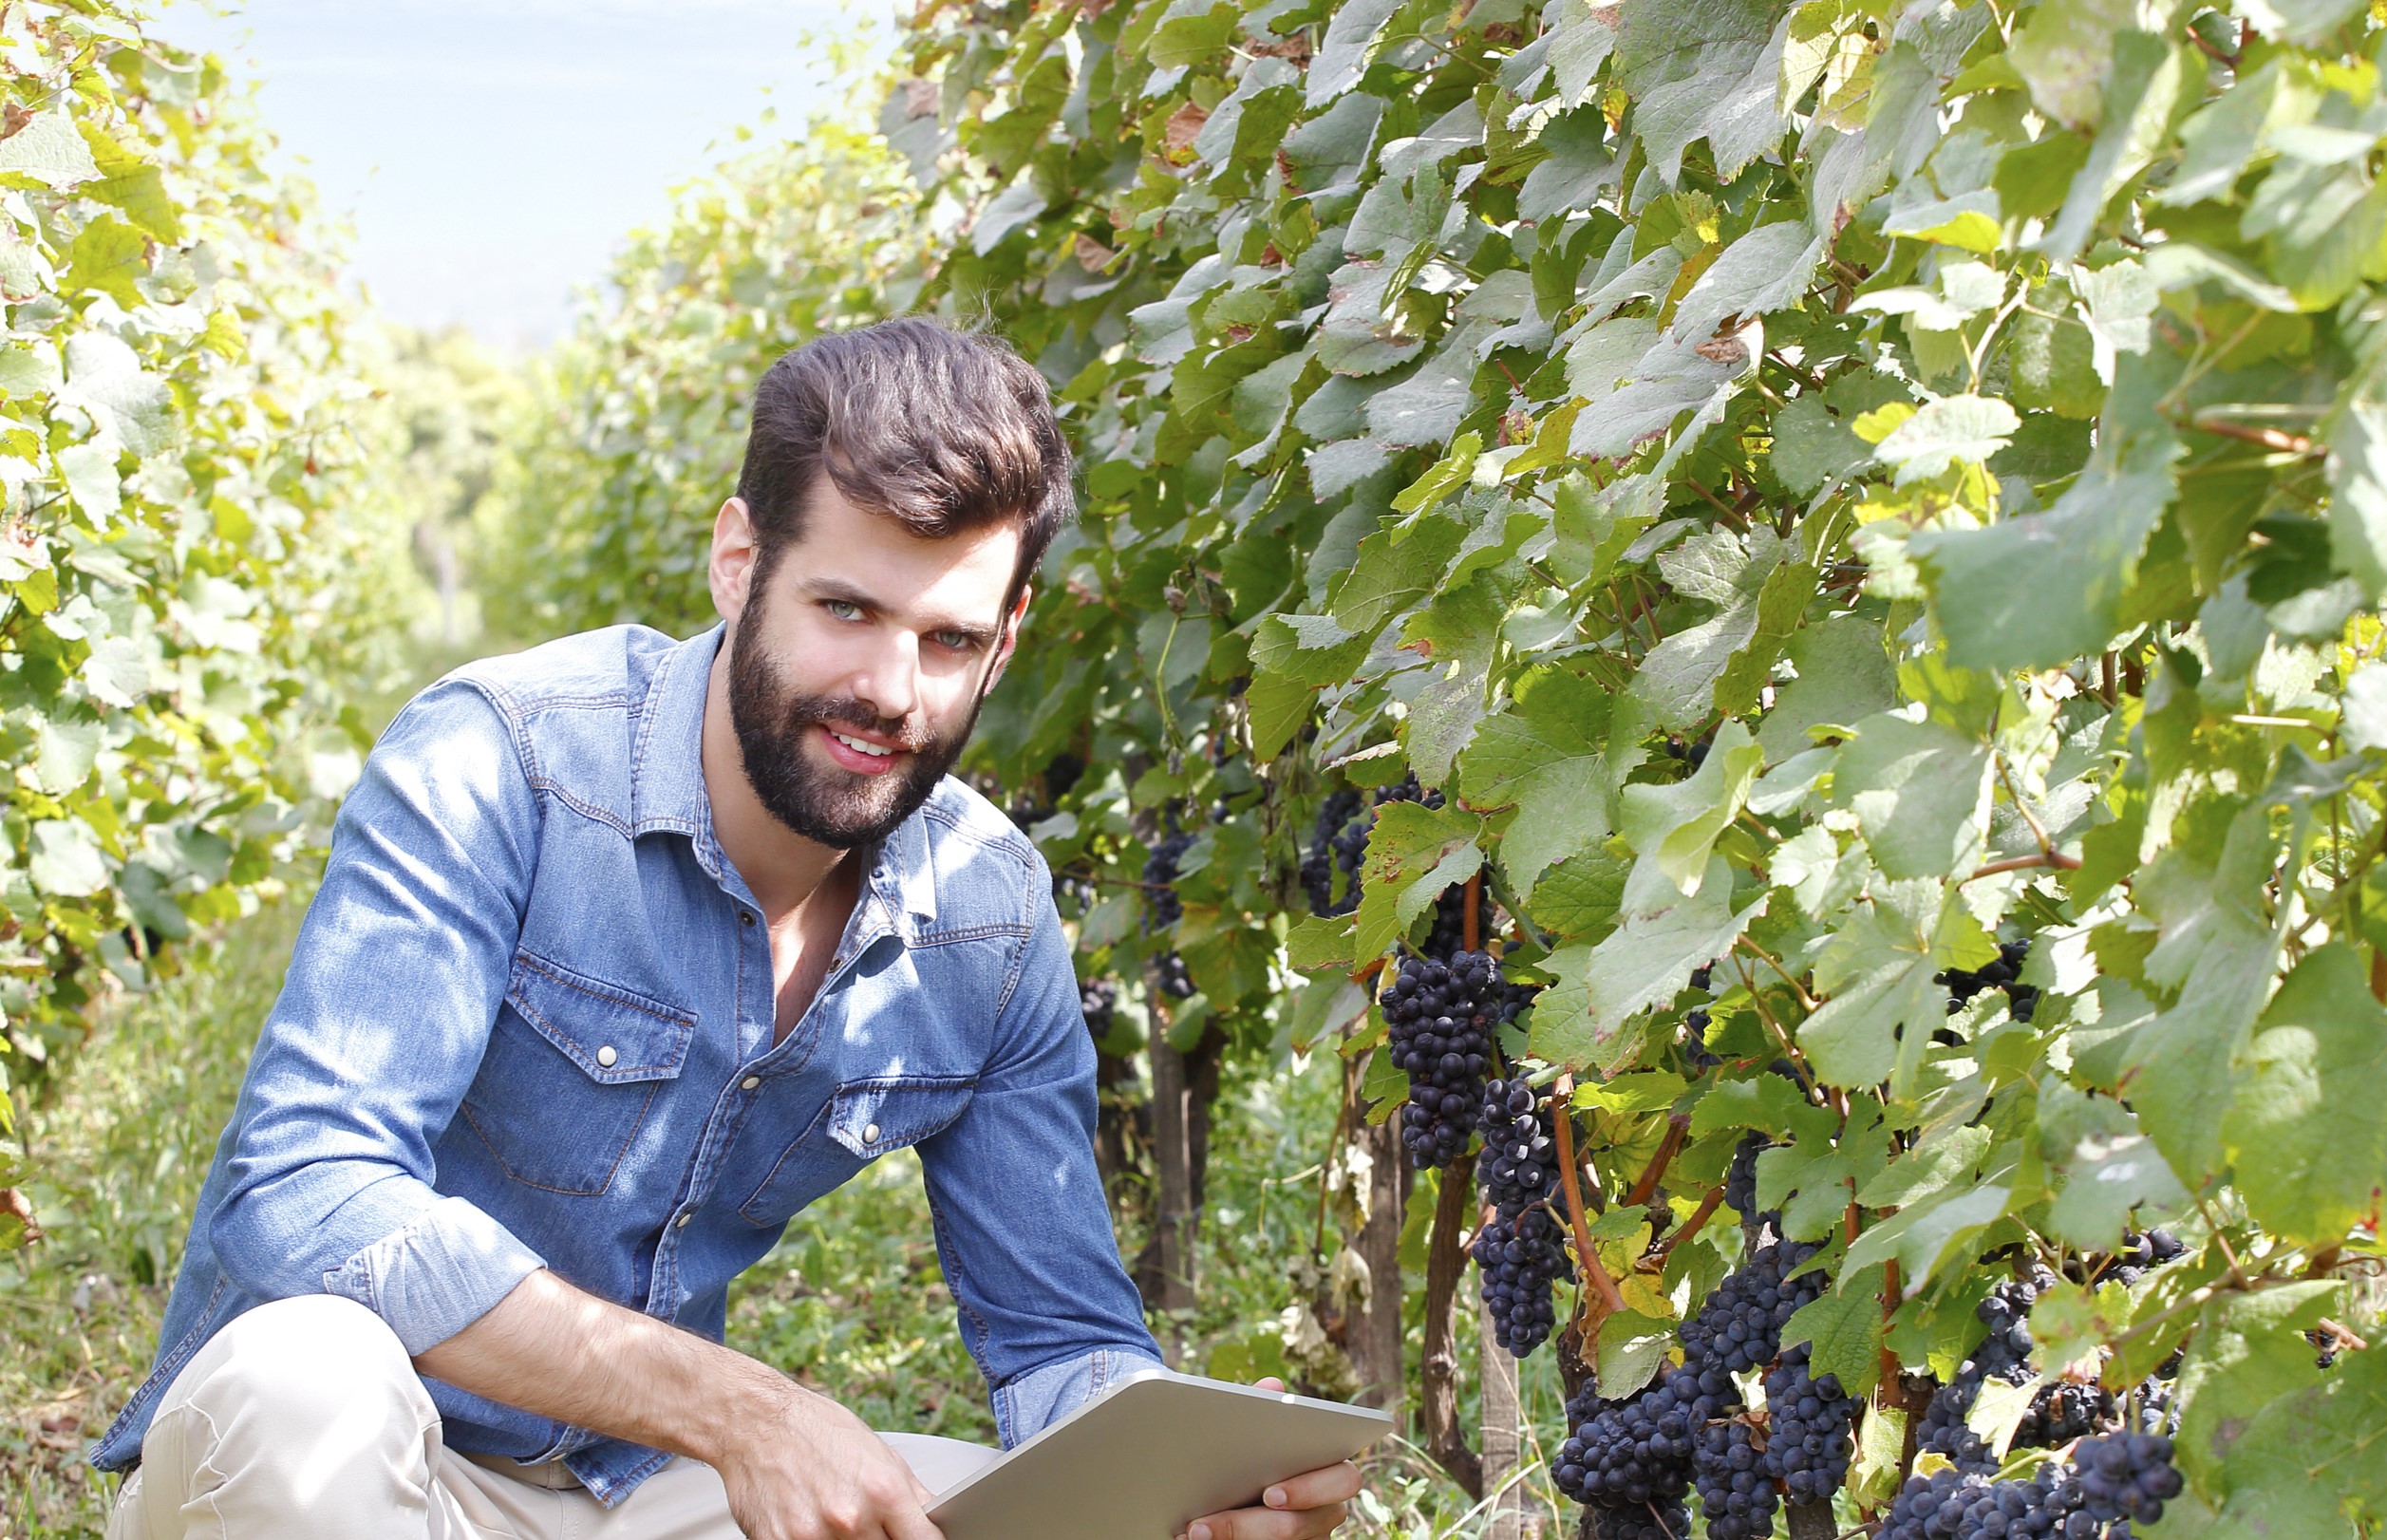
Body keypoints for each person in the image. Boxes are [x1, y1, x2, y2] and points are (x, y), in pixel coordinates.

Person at [89, 316, 1363, 1540]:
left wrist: (1183, 1485)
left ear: (1006, 640)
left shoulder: (990, 916)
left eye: (949, 638)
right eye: (846, 610)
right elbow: (307, 1193)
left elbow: (1059, 1340)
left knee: (1026, 1520)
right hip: (327, 1474)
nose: (888, 690)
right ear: (738, 561)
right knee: (301, 1378)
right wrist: (742, 1407)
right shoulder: (503, 763)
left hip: (626, 1494)